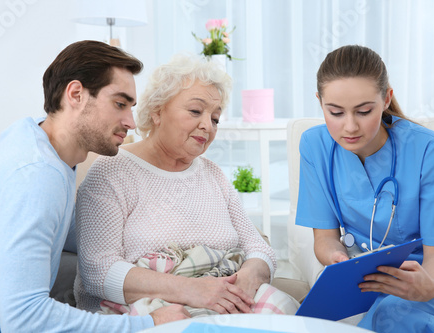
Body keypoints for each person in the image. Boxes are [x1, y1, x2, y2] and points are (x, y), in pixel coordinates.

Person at [0, 40, 189, 333]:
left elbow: (71, 232)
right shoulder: (35, 175)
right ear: (76, 94)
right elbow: (24, 320)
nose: (131, 122)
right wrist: (147, 325)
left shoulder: (40, 142)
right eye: (120, 104)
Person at [74, 54, 299, 317]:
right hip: (149, 309)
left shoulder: (213, 175)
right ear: (157, 111)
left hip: (224, 299)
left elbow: (258, 246)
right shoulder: (111, 171)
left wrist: (248, 278)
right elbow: (97, 271)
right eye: (195, 111)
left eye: (215, 119)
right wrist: (193, 290)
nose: (207, 125)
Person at [295, 44, 434, 332]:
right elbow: (324, 238)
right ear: (319, 101)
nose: (349, 127)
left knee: (393, 314)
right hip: (380, 276)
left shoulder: (427, 148)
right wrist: (338, 260)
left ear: (386, 98)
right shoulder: (314, 146)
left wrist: (428, 286)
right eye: (335, 112)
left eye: (363, 111)